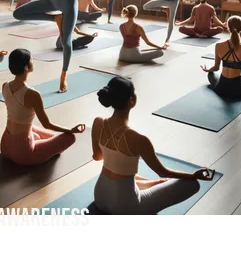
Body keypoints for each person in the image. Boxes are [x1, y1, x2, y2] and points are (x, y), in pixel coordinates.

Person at [92, 76, 214, 214]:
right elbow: (163, 172)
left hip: (100, 197)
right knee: (192, 184)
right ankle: (152, 187)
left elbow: (97, 157)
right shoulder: (139, 139)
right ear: (132, 100)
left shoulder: (98, 122)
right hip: (125, 207)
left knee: (126, 175)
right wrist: (193, 175)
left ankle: (152, 184)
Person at [0, 49, 85, 166]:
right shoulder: (32, 94)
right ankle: (41, 140)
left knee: (29, 126)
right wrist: (70, 130)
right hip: (23, 151)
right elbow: (47, 124)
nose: (33, 62)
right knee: (70, 138)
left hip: (5, 145)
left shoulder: (5, 86)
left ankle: (39, 139)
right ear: (26, 67)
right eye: (31, 60)